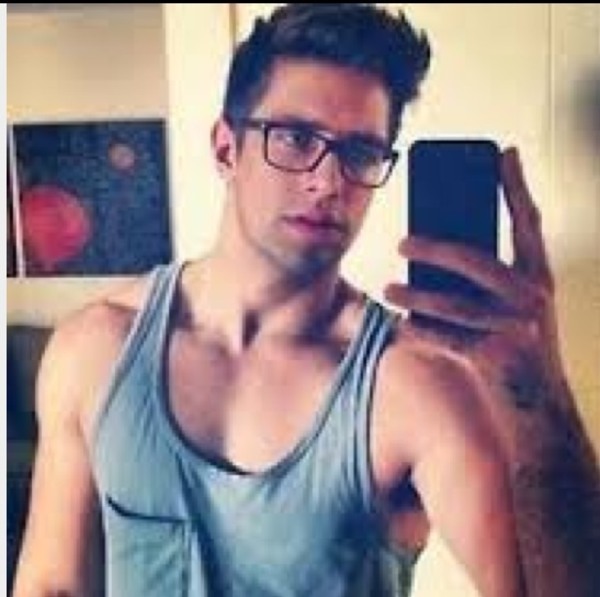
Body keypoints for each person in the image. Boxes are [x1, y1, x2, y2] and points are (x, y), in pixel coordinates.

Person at [13, 4, 600, 596]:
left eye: (360, 152)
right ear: (226, 150)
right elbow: (51, 586)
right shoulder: (94, 350)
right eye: (295, 139)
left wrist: (539, 392)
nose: (327, 182)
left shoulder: (416, 384)